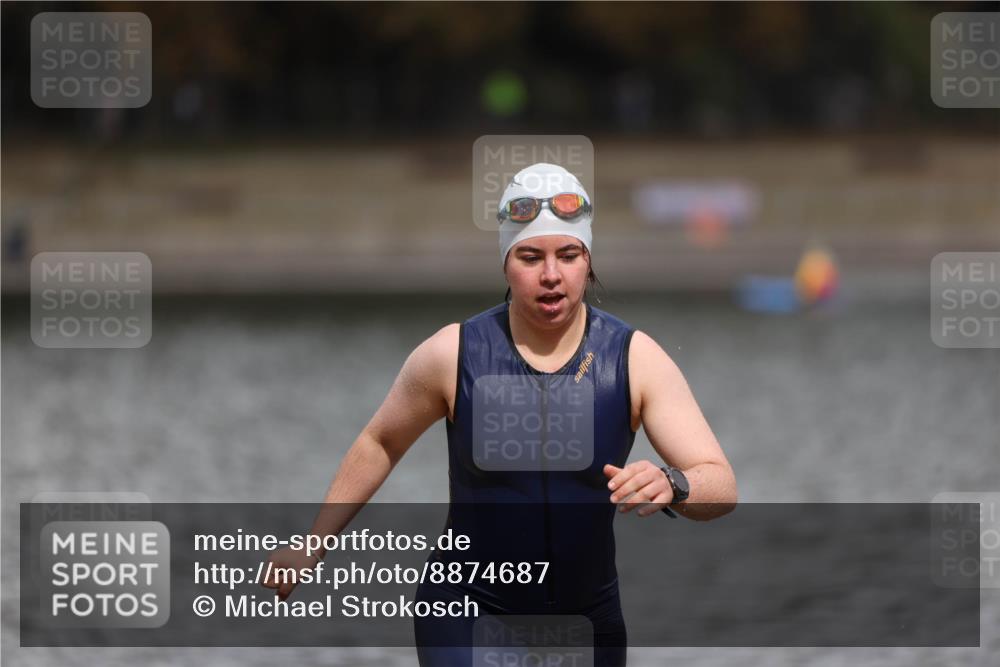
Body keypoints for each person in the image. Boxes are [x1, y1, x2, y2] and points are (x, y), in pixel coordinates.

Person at [264, 162, 738, 665]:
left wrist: (674, 483)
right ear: (506, 263)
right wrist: (313, 544)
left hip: (586, 623)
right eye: (530, 256)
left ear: (589, 261)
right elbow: (380, 442)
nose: (551, 275)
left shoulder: (634, 359)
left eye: (569, 255)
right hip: (466, 612)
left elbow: (721, 485)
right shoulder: (454, 354)